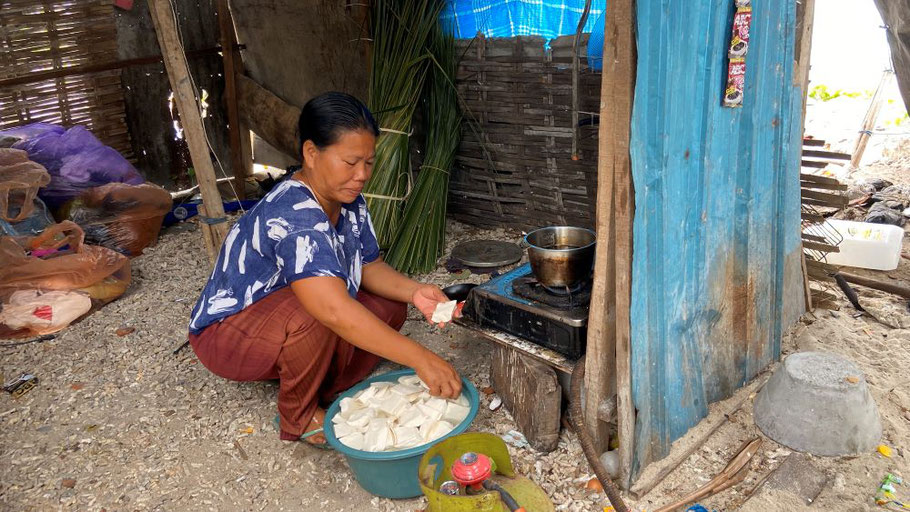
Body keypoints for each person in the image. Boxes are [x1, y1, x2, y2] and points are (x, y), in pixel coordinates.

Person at [187, 92, 462, 447]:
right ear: (311, 153)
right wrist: (421, 358)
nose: (362, 175)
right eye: (350, 162)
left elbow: (369, 265)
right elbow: (331, 309)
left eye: (369, 163)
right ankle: (299, 416)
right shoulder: (294, 212)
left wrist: (414, 292)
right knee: (316, 313)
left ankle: (322, 381)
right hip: (228, 333)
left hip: (290, 315)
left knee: (390, 307)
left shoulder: (348, 199)